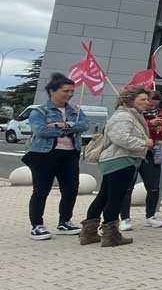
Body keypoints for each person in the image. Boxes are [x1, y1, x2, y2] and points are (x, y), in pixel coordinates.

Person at [79, 87, 153, 247]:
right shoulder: (124, 116)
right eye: (143, 99)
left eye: (147, 99)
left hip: (117, 160)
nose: (147, 102)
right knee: (115, 198)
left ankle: (89, 233)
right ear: (130, 100)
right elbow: (121, 138)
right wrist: (144, 144)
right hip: (120, 160)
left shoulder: (131, 116)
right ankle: (111, 235)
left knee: (104, 196)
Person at [25, 73, 89, 240]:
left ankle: (65, 221)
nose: (69, 94)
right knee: (41, 190)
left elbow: (85, 125)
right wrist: (70, 129)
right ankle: (37, 225)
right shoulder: (39, 111)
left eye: (71, 91)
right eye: (65, 91)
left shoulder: (75, 111)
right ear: (52, 91)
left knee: (71, 189)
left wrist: (63, 124)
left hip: (70, 155)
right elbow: (41, 130)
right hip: (44, 155)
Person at [120, 91, 162, 230]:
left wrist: (158, 128)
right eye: (147, 102)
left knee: (153, 186)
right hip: (134, 152)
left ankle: (150, 216)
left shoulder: (159, 114)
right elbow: (132, 128)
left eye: (153, 105)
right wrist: (149, 123)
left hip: (151, 152)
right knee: (127, 187)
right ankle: (125, 218)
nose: (149, 106)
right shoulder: (132, 114)